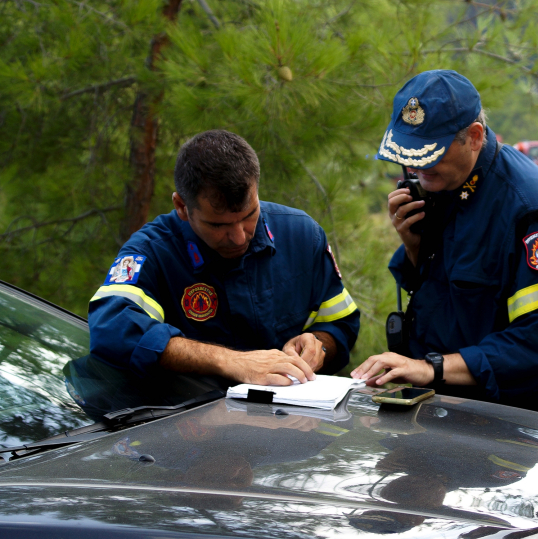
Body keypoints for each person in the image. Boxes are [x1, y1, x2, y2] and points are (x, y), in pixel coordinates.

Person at [351, 70, 538, 416]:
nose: (414, 166)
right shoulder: (439, 184)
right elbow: (439, 296)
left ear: (475, 137)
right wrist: (413, 247)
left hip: (505, 418)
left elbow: (536, 346)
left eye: (428, 154)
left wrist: (431, 368)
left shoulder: (528, 209)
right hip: (433, 404)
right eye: (407, 154)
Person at [89, 130, 360, 386]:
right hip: (190, 429)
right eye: (218, 226)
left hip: (291, 424)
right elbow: (111, 330)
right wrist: (227, 361)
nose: (239, 237)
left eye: (249, 215)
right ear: (182, 207)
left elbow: (341, 323)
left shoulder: (302, 235)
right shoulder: (151, 252)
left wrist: (319, 344)